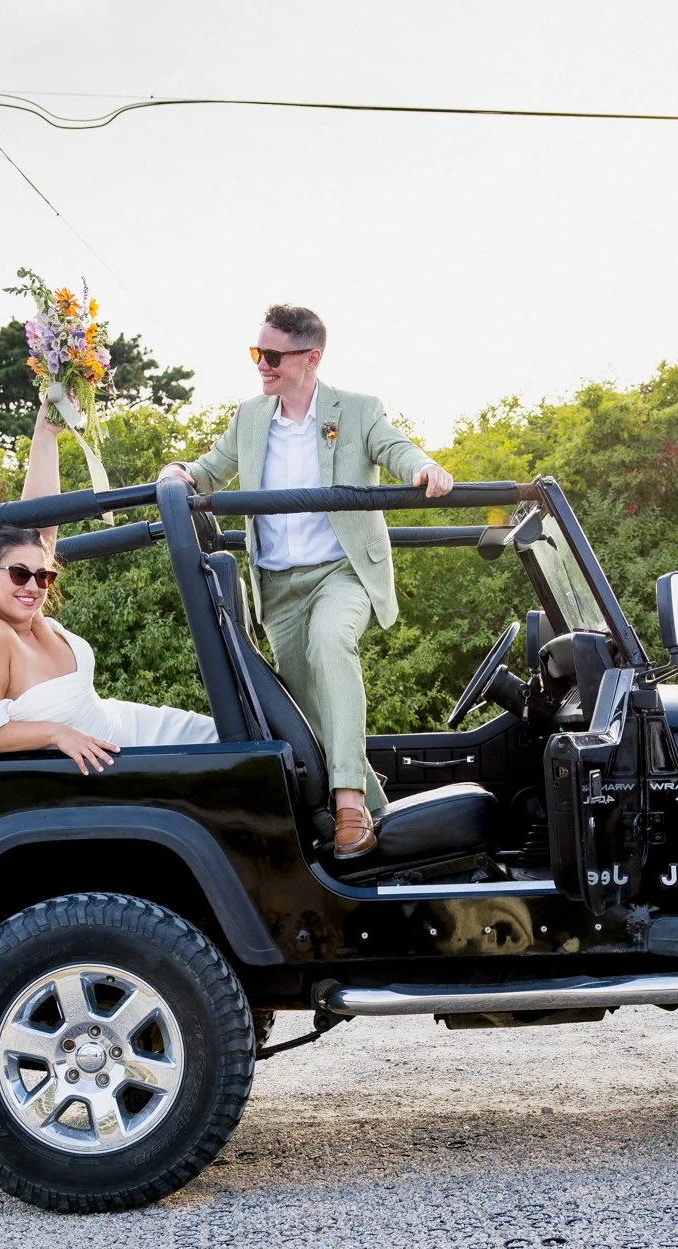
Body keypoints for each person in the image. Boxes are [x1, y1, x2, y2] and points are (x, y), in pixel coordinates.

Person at [160, 304, 453, 857]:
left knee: (331, 641)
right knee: (307, 711)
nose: (261, 365)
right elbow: (211, 468)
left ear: (311, 358)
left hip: (341, 573)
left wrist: (423, 468)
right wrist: (180, 473)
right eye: (257, 353)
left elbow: (395, 447)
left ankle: (351, 807)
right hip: (278, 586)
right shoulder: (250, 417)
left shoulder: (357, 410)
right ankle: (380, 811)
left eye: (272, 356)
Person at [0, 407, 217, 773]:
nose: (33, 585)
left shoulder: (27, 618)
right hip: (109, 762)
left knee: (235, 738)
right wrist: (55, 733)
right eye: (19, 574)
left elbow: (40, 520)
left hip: (129, 728)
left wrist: (47, 431)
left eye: (43, 576)